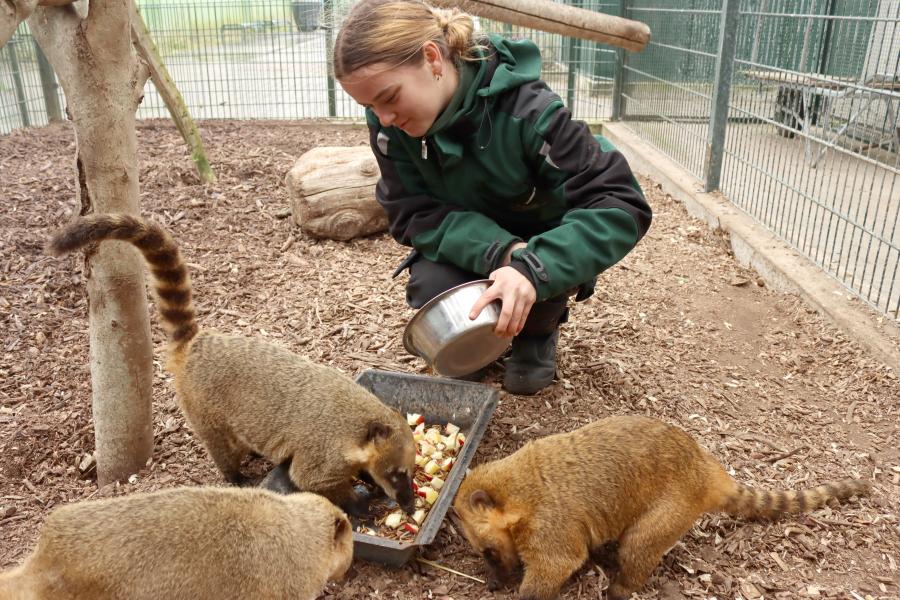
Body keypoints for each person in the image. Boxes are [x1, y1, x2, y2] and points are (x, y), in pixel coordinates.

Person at [333, 0, 652, 395]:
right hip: (480, 244)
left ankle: (538, 327)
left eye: (389, 97)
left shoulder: (529, 110)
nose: (382, 117)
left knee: (538, 305)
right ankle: (485, 328)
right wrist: (502, 254)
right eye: (369, 106)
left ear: (432, 59)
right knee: (431, 284)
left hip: (541, 245)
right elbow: (408, 211)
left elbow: (620, 201)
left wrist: (532, 267)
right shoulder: (389, 126)